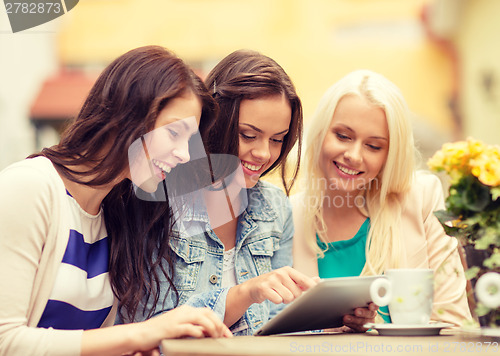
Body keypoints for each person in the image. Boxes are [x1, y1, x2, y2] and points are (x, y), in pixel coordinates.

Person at [0, 45, 231, 356]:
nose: (185, 155)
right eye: (174, 133)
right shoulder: (30, 187)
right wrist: (140, 334)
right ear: (127, 115)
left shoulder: (116, 212)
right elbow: (7, 341)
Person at [131, 50, 376, 335]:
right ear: (212, 121)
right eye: (248, 135)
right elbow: (148, 326)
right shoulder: (158, 202)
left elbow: (278, 324)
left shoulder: (274, 208)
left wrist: (332, 321)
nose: (263, 153)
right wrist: (245, 293)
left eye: (277, 139)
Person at [292, 69, 472, 326]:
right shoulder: (289, 215)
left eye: (373, 146)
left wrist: (373, 328)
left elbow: (453, 322)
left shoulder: (422, 198)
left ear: (390, 155)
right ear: (320, 133)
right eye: (343, 136)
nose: (353, 155)